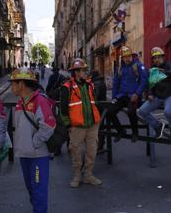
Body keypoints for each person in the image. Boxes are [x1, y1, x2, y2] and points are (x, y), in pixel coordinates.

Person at [9, 68, 55, 213]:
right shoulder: (21, 102)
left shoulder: (39, 100)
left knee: (38, 191)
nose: (12, 87)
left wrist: (33, 143)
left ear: (21, 84)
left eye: (13, 84)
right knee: (32, 190)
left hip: (37, 157)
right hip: (25, 155)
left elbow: (49, 125)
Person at [59, 58, 102, 188]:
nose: (86, 72)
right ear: (76, 72)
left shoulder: (90, 85)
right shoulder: (67, 87)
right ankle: (77, 175)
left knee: (92, 151)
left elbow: (96, 102)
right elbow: (63, 109)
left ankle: (88, 175)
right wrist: (68, 125)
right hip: (76, 126)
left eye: (85, 70)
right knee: (76, 152)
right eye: (83, 70)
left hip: (92, 125)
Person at [137, 47, 171, 141]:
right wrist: (150, 93)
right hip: (158, 96)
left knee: (168, 112)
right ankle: (158, 126)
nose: (156, 60)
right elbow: (151, 84)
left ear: (163, 57)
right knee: (142, 111)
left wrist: (164, 71)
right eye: (154, 58)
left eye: (159, 57)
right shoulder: (153, 69)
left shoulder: (170, 65)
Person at [109, 46, 148, 142]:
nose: (127, 58)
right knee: (110, 112)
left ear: (132, 56)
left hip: (134, 95)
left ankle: (135, 133)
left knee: (131, 112)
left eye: (129, 56)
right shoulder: (120, 69)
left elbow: (144, 80)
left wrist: (137, 93)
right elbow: (115, 83)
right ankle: (121, 131)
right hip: (121, 96)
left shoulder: (138, 66)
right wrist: (114, 97)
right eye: (125, 57)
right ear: (122, 58)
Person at [90, 70, 107, 150]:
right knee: (100, 126)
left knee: (97, 126)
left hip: (97, 107)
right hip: (101, 107)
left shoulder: (96, 84)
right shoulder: (101, 82)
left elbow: (95, 96)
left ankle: (99, 144)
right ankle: (100, 143)